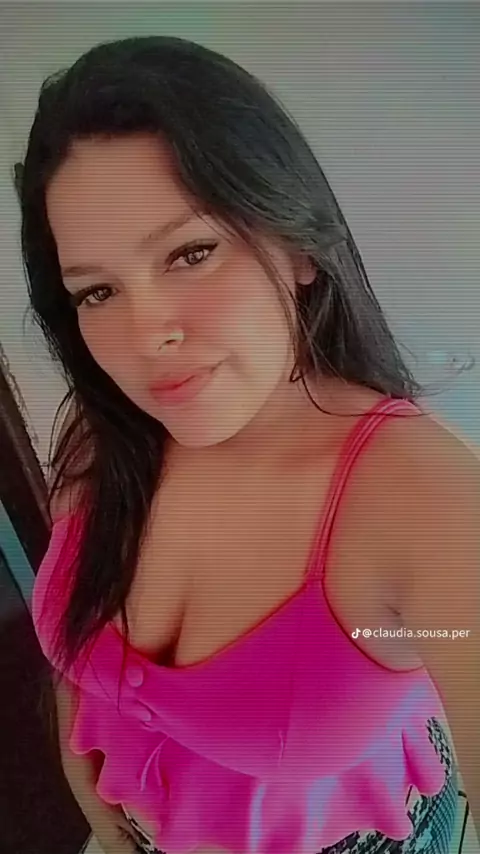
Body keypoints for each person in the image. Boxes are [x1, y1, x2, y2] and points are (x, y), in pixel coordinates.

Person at [19, 35, 479, 854]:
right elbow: (80, 629)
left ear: (297, 244)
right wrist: (78, 766)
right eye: (97, 291)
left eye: (191, 253)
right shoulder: (105, 436)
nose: (145, 336)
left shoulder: (424, 500)